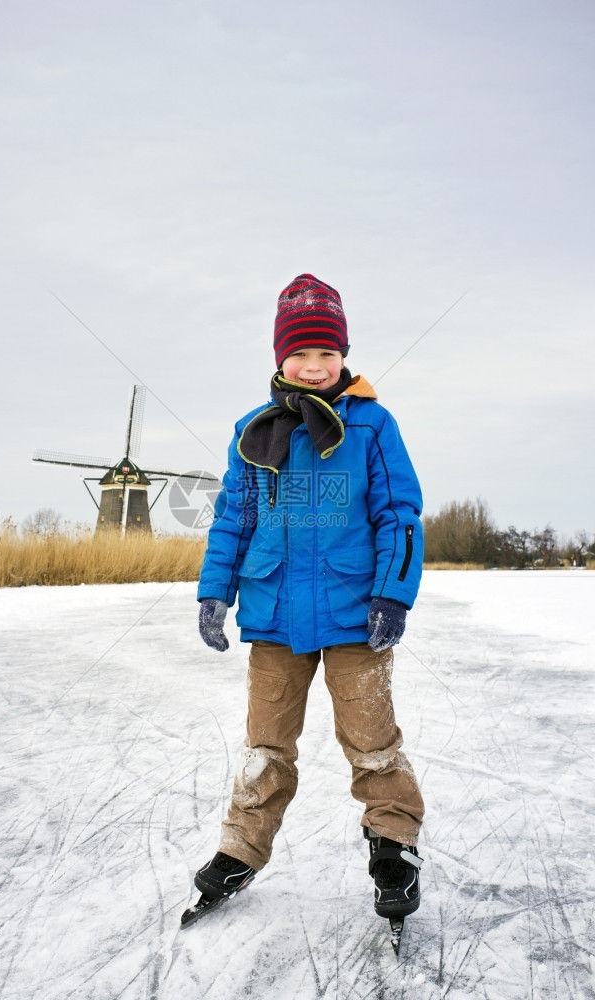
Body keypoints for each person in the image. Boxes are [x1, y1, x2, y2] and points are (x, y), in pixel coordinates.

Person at [193, 273, 425, 920]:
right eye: (300, 353)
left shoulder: (374, 426)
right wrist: (215, 592)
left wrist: (393, 595)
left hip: (357, 616)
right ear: (279, 358)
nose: (315, 365)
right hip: (273, 616)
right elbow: (233, 519)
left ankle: (394, 845)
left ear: (343, 356)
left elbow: (400, 514)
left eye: (326, 353)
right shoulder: (253, 431)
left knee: (372, 740)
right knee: (265, 745)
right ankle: (241, 849)